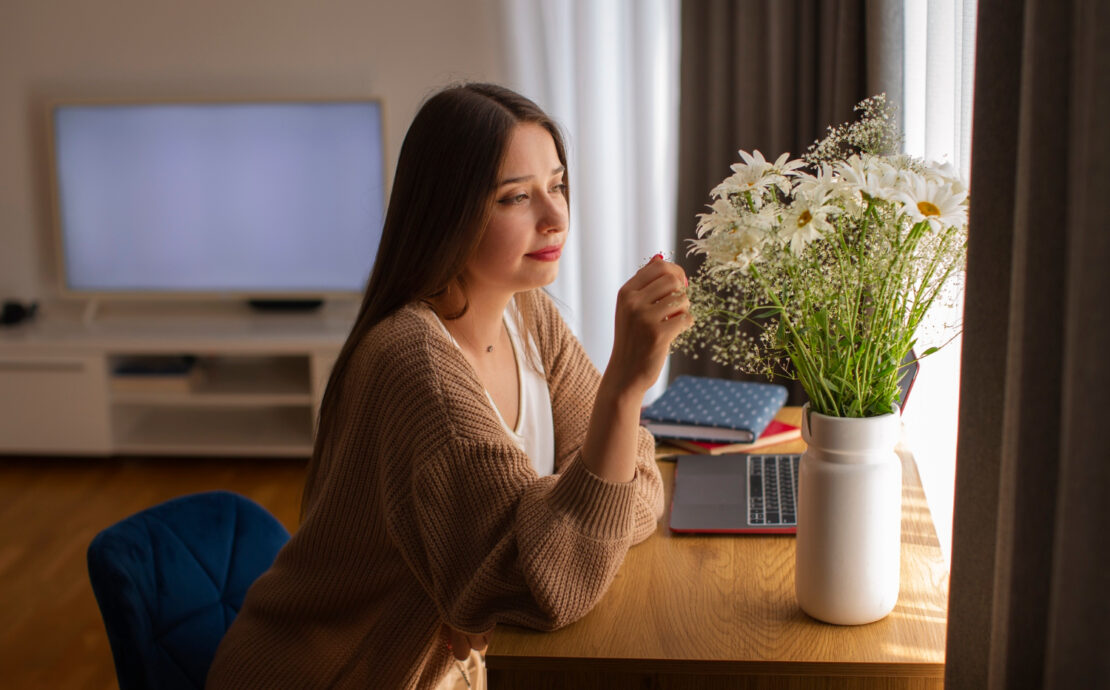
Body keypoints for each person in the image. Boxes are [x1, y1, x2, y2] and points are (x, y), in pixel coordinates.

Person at [206, 82, 691, 690]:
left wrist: (506, 563)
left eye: (557, 184)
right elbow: (551, 588)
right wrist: (622, 391)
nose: (556, 216)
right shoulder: (418, 369)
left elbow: (632, 490)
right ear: (448, 211)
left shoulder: (530, 315)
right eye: (516, 197)